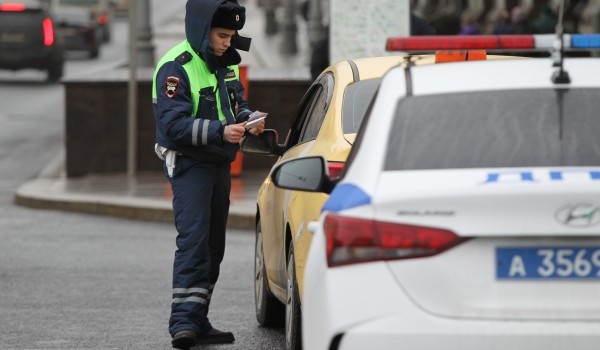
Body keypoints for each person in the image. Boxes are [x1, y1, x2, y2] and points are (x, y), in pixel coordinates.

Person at [151, 0, 264, 349]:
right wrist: (220, 131)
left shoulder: (223, 63)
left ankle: (198, 319)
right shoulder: (176, 68)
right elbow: (171, 125)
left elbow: (235, 102)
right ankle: (183, 324)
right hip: (188, 164)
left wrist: (248, 119)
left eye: (231, 36)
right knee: (194, 242)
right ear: (203, 30)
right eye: (222, 35)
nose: (227, 42)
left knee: (214, 245)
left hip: (217, 163)